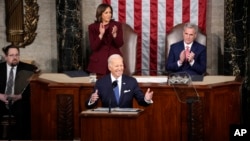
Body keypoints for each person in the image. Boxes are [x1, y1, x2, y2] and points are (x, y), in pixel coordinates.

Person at [85, 54, 153, 109]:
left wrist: (146, 99)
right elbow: (90, 105)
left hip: (127, 120)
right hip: (108, 120)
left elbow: (141, 100)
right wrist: (92, 100)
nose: (120, 68)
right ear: (109, 67)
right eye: (117, 66)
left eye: (121, 65)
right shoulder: (101, 82)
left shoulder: (131, 81)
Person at [0, 45, 38, 139]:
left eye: (17, 55)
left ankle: (20, 138)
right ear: (6, 57)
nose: (15, 58)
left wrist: (20, 96)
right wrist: (0, 96)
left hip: (19, 101)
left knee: (25, 112)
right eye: (11, 55)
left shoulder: (29, 68)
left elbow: (34, 88)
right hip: (1, 100)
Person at [87, 3, 124, 78]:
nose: (109, 15)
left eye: (110, 12)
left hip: (114, 60)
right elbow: (93, 47)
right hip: (98, 62)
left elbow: (120, 44)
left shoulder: (117, 25)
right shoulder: (92, 27)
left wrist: (114, 35)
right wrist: (101, 35)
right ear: (100, 14)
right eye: (106, 13)